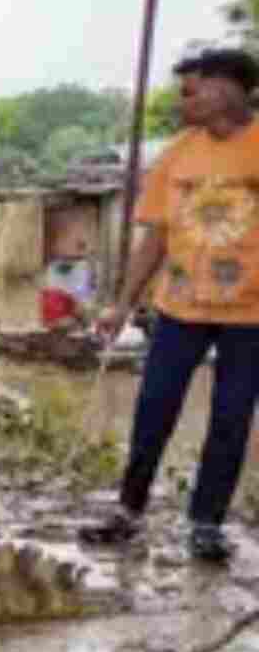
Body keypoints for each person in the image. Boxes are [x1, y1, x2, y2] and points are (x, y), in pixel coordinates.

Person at [80, 48, 259, 564]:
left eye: (192, 90)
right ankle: (128, 511)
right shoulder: (177, 155)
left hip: (249, 317)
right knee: (153, 408)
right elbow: (154, 240)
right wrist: (120, 305)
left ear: (227, 89)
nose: (184, 101)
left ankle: (206, 523)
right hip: (179, 309)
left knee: (231, 418)